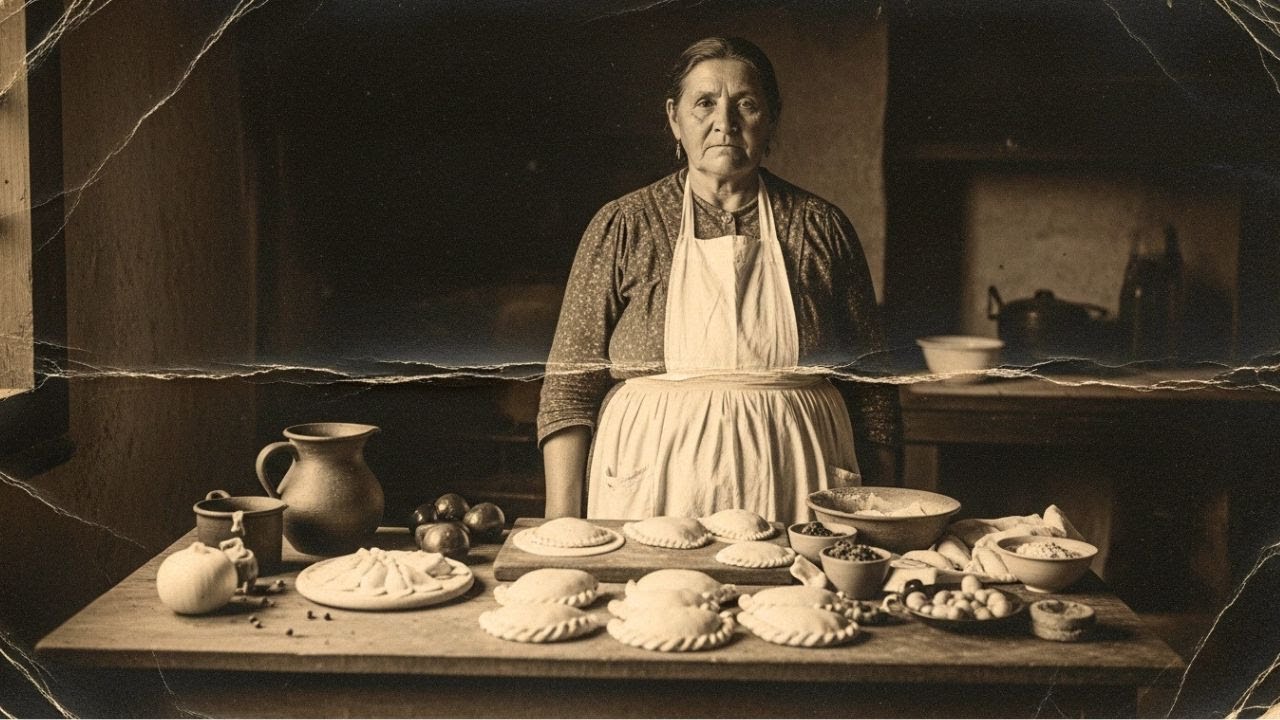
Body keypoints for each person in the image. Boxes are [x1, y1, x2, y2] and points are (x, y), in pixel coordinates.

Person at [537, 36, 900, 523]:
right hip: (655, 485)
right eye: (704, 102)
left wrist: (886, 519)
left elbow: (873, 392)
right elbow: (568, 390)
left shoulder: (821, 227)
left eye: (745, 104)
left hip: (799, 479)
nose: (723, 123)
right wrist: (562, 526)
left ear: (770, 119)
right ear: (674, 118)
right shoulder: (624, 225)